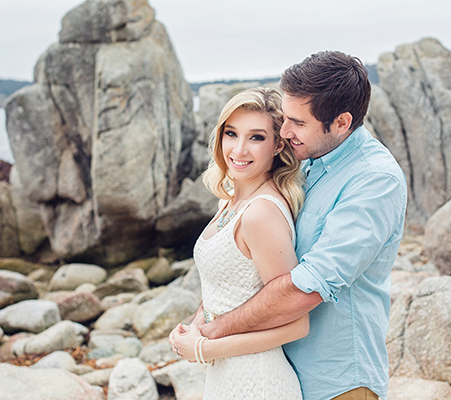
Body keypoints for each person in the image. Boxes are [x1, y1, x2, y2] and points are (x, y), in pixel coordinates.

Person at [198, 51, 408, 400]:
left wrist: (212, 332)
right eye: (284, 118)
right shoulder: (308, 162)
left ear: (341, 123)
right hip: (282, 370)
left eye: (297, 122)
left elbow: (308, 287)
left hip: (339, 379)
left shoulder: (374, 180)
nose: (285, 131)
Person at [169, 87, 307, 399]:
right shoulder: (230, 202)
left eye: (256, 137)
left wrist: (205, 348)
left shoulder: (261, 213)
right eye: (231, 133)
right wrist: (193, 329)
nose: (239, 149)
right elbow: (225, 291)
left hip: (258, 382)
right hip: (226, 377)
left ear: (276, 145)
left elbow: (297, 325)